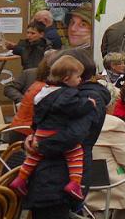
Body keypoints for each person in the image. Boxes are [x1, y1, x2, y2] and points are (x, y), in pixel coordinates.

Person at [23, 48, 109, 219]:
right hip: (48, 172)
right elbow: (47, 123)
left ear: (77, 73)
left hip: (61, 176)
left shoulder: (88, 98)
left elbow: (76, 136)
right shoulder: (68, 95)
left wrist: (41, 145)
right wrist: (33, 138)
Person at [10, 55, 97, 199]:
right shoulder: (67, 94)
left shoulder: (42, 91)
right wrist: (89, 104)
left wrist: (36, 133)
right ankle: (75, 183)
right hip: (54, 132)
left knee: (34, 155)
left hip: (40, 131)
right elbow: (73, 108)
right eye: (78, 77)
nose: (80, 80)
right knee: (75, 152)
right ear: (66, 79)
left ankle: (21, 178)